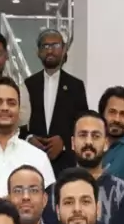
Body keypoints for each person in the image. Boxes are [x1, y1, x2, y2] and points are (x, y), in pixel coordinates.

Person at [23, 28, 89, 174]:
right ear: (38, 52)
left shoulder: (76, 86)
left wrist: (64, 143)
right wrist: (29, 139)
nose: (50, 50)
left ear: (64, 50)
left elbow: (82, 124)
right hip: (33, 162)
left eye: (56, 45)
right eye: (45, 46)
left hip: (65, 164)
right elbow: (20, 123)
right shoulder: (28, 84)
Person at [0, 76, 54, 197]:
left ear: (19, 110)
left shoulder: (38, 158)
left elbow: (48, 203)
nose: (5, 108)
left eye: (11, 103)